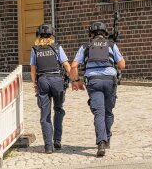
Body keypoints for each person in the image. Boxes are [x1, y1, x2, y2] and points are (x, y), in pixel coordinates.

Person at [70, 21, 125, 157]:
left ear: (91, 34)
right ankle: (107, 136)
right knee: (108, 111)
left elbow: (73, 66)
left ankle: (101, 142)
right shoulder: (111, 45)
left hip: (93, 82)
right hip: (109, 81)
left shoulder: (85, 46)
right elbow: (122, 65)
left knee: (99, 113)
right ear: (105, 34)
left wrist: (76, 81)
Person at [30, 23, 71, 154]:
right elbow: (66, 64)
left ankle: (48, 146)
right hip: (57, 80)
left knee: (45, 114)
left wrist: (35, 83)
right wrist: (73, 78)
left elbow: (32, 69)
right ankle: (57, 140)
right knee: (58, 109)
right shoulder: (57, 47)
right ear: (52, 35)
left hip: (43, 80)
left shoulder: (35, 49)